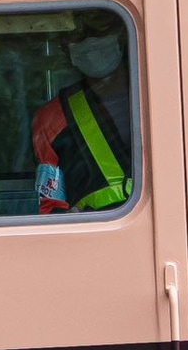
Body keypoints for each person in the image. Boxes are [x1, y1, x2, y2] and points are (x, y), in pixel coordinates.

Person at [31, 14, 134, 212]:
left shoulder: (165, 96)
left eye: (98, 28)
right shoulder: (50, 119)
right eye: (76, 34)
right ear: (64, 47)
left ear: (121, 34)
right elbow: (50, 205)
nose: (88, 39)